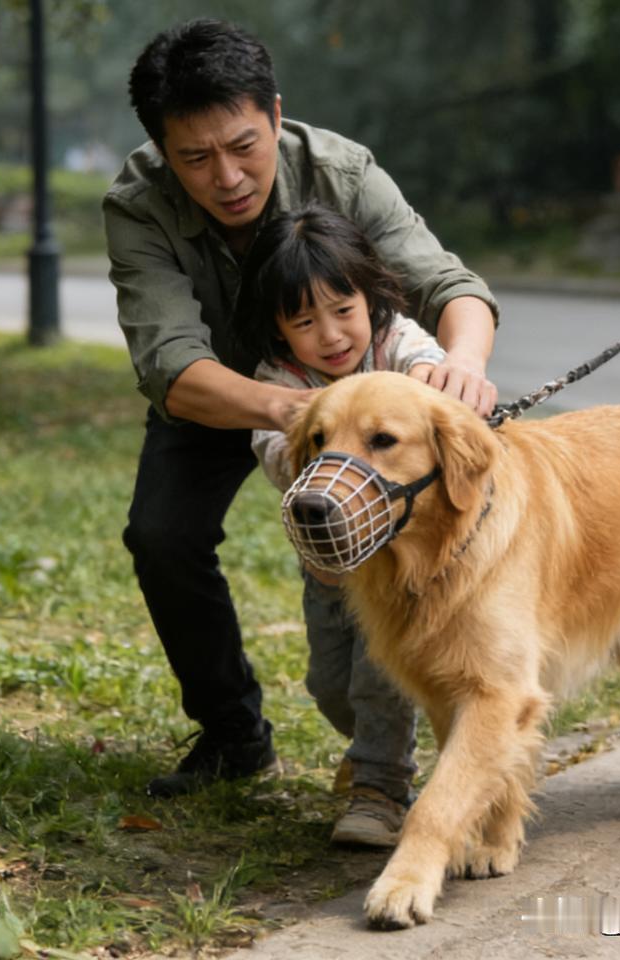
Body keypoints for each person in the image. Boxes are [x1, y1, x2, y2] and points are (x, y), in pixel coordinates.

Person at [103, 18, 499, 803]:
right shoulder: (137, 205)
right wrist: (303, 413)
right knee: (161, 536)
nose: (227, 177)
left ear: (276, 115)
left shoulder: (341, 171)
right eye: (196, 158)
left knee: (425, 548)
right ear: (161, 151)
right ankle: (232, 735)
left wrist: (461, 366)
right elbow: (171, 367)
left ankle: (429, 731)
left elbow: (450, 287)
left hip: (366, 396)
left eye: (244, 145)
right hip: (226, 397)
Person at [237, 203, 445, 846]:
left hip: (401, 565)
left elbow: (433, 391)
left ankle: (381, 790)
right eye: (304, 320)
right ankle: (367, 751)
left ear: (370, 297)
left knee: (382, 679)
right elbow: (279, 457)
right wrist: (309, 433)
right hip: (327, 567)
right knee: (331, 685)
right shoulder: (280, 383)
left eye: (343, 309)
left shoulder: (401, 346)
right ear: (278, 327)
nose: (330, 335)